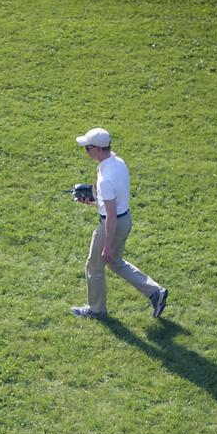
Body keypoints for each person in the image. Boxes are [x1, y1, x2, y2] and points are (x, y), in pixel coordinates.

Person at [71, 127, 168, 319]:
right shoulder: (117, 163)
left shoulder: (105, 179)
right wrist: (94, 201)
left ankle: (96, 310)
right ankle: (155, 292)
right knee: (115, 262)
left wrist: (106, 245)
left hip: (111, 225)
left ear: (98, 148)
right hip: (125, 220)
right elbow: (114, 199)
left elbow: (111, 215)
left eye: (87, 148)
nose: (86, 152)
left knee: (94, 266)